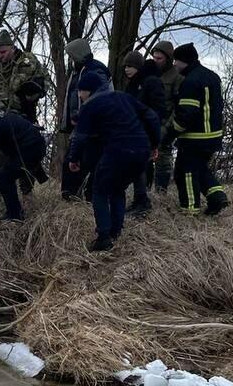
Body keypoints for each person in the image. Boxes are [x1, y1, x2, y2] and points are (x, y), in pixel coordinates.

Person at [67, 72, 160, 252]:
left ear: (88, 90)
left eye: (80, 91)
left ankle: (103, 238)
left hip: (118, 150)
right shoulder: (123, 97)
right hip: (141, 149)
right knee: (118, 189)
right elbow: (152, 117)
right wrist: (154, 144)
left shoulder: (89, 106)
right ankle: (115, 231)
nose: (79, 95)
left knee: (99, 191)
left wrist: (73, 158)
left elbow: (80, 137)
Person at [0, 30, 50, 197]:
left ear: (12, 48)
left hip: (23, 116)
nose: (0, 56)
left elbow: (45, 83)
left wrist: (35, 91)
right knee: (0, 158)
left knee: (27, 155)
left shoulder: (28, 61)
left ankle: (27, 194)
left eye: (4, 52)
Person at [163, 43, 229, 215]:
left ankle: (190, 210)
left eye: (176, 60)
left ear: (184, 61)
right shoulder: (212, 76)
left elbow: (186, 115)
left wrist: (170, 134)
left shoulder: (190, 82)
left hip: (195, 137)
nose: (174, 64)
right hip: (214, 135)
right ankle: (217, 197)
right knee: (200, 169)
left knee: (186, 172)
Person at [59, 37, 112, 201]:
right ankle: (72, 196)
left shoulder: (95, 70)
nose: (70, 58)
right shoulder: (78, 71)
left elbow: (100, 95)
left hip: (93, 127)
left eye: (71, 55)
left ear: (78, 54)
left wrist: (82, 115)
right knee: (74, 160)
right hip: (81, 124)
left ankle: (81, 197)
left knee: (82, 161)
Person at [121, 51, 167, 215]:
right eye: (125, 66)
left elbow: (158, 110)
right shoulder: (133, 84)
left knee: (141, 166)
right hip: (132, 131)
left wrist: (150, 128)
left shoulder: (151, 82)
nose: (127, 69)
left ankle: (143, 202)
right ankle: (138, 200)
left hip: (145, 131)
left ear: (139, 67)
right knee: (135, 166)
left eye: (131, 66)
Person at [150, 40, 182, 192]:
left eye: (159, 58)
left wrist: (168, 127)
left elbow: (178, 105)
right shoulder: (151, 73)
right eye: (154, 58)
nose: (156, 61)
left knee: (162, 158)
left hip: (166, 123)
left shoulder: (177, 76)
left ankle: (161, 193)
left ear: (168, 59)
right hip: (150, 121)